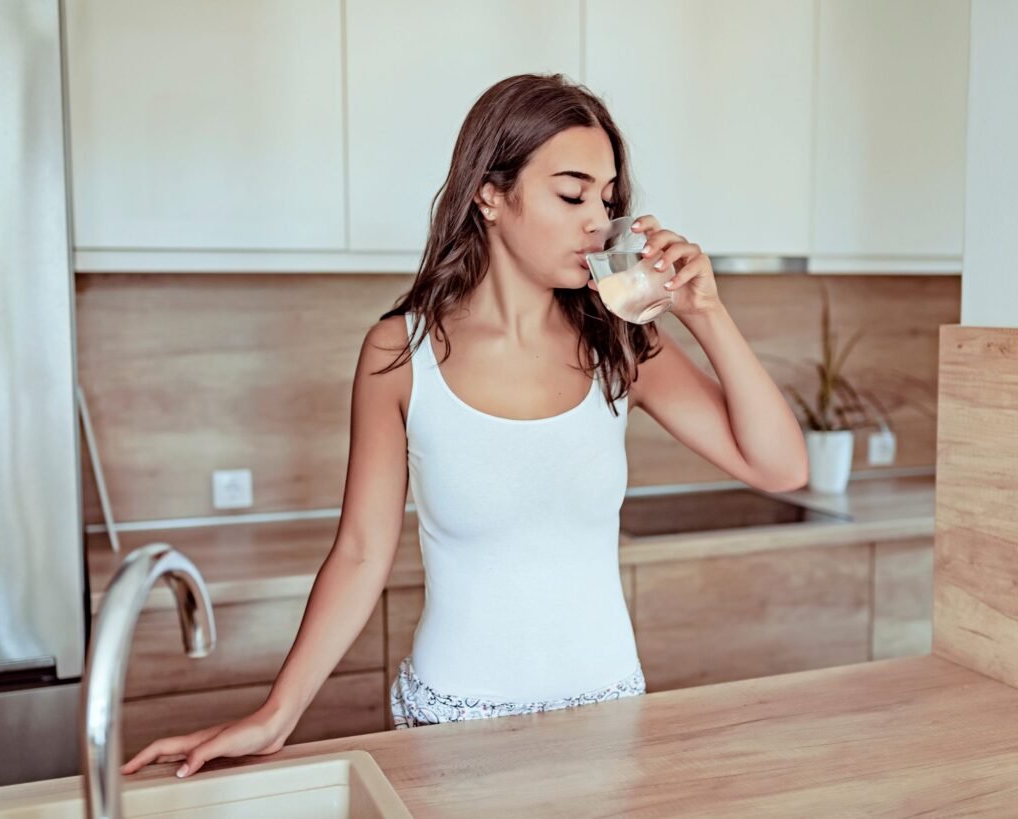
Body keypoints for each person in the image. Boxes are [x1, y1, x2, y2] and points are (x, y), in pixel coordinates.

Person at [121, 73, 808, 779]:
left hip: (610, 720)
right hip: (451, 728)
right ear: (489, 193)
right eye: (571, 194)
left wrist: (706, 314)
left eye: (606, 199)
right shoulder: (401, 353)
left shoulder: (622, 347)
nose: (596, 221)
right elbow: (360, 551)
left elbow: (781, 468)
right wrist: (275, 714)